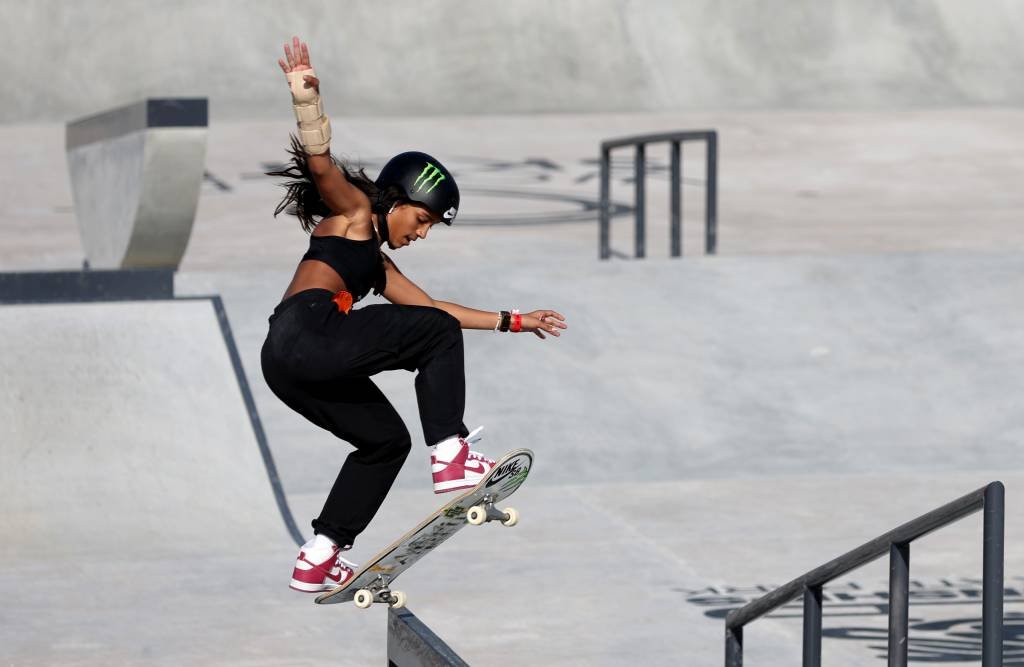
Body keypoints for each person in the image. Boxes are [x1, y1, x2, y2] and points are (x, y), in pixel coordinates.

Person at [261, 37, 568, 593]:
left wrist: (513, 321)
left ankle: (320, 553)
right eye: (422, 220)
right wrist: (307, 101)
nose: (421, 233)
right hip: (311, 331)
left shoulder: (377, 267)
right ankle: (451, 455)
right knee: (435, 339)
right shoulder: (355, 214)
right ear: (395, 200)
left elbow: (431, 311)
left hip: (286, 361)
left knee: (384, 442)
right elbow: (321, 167)